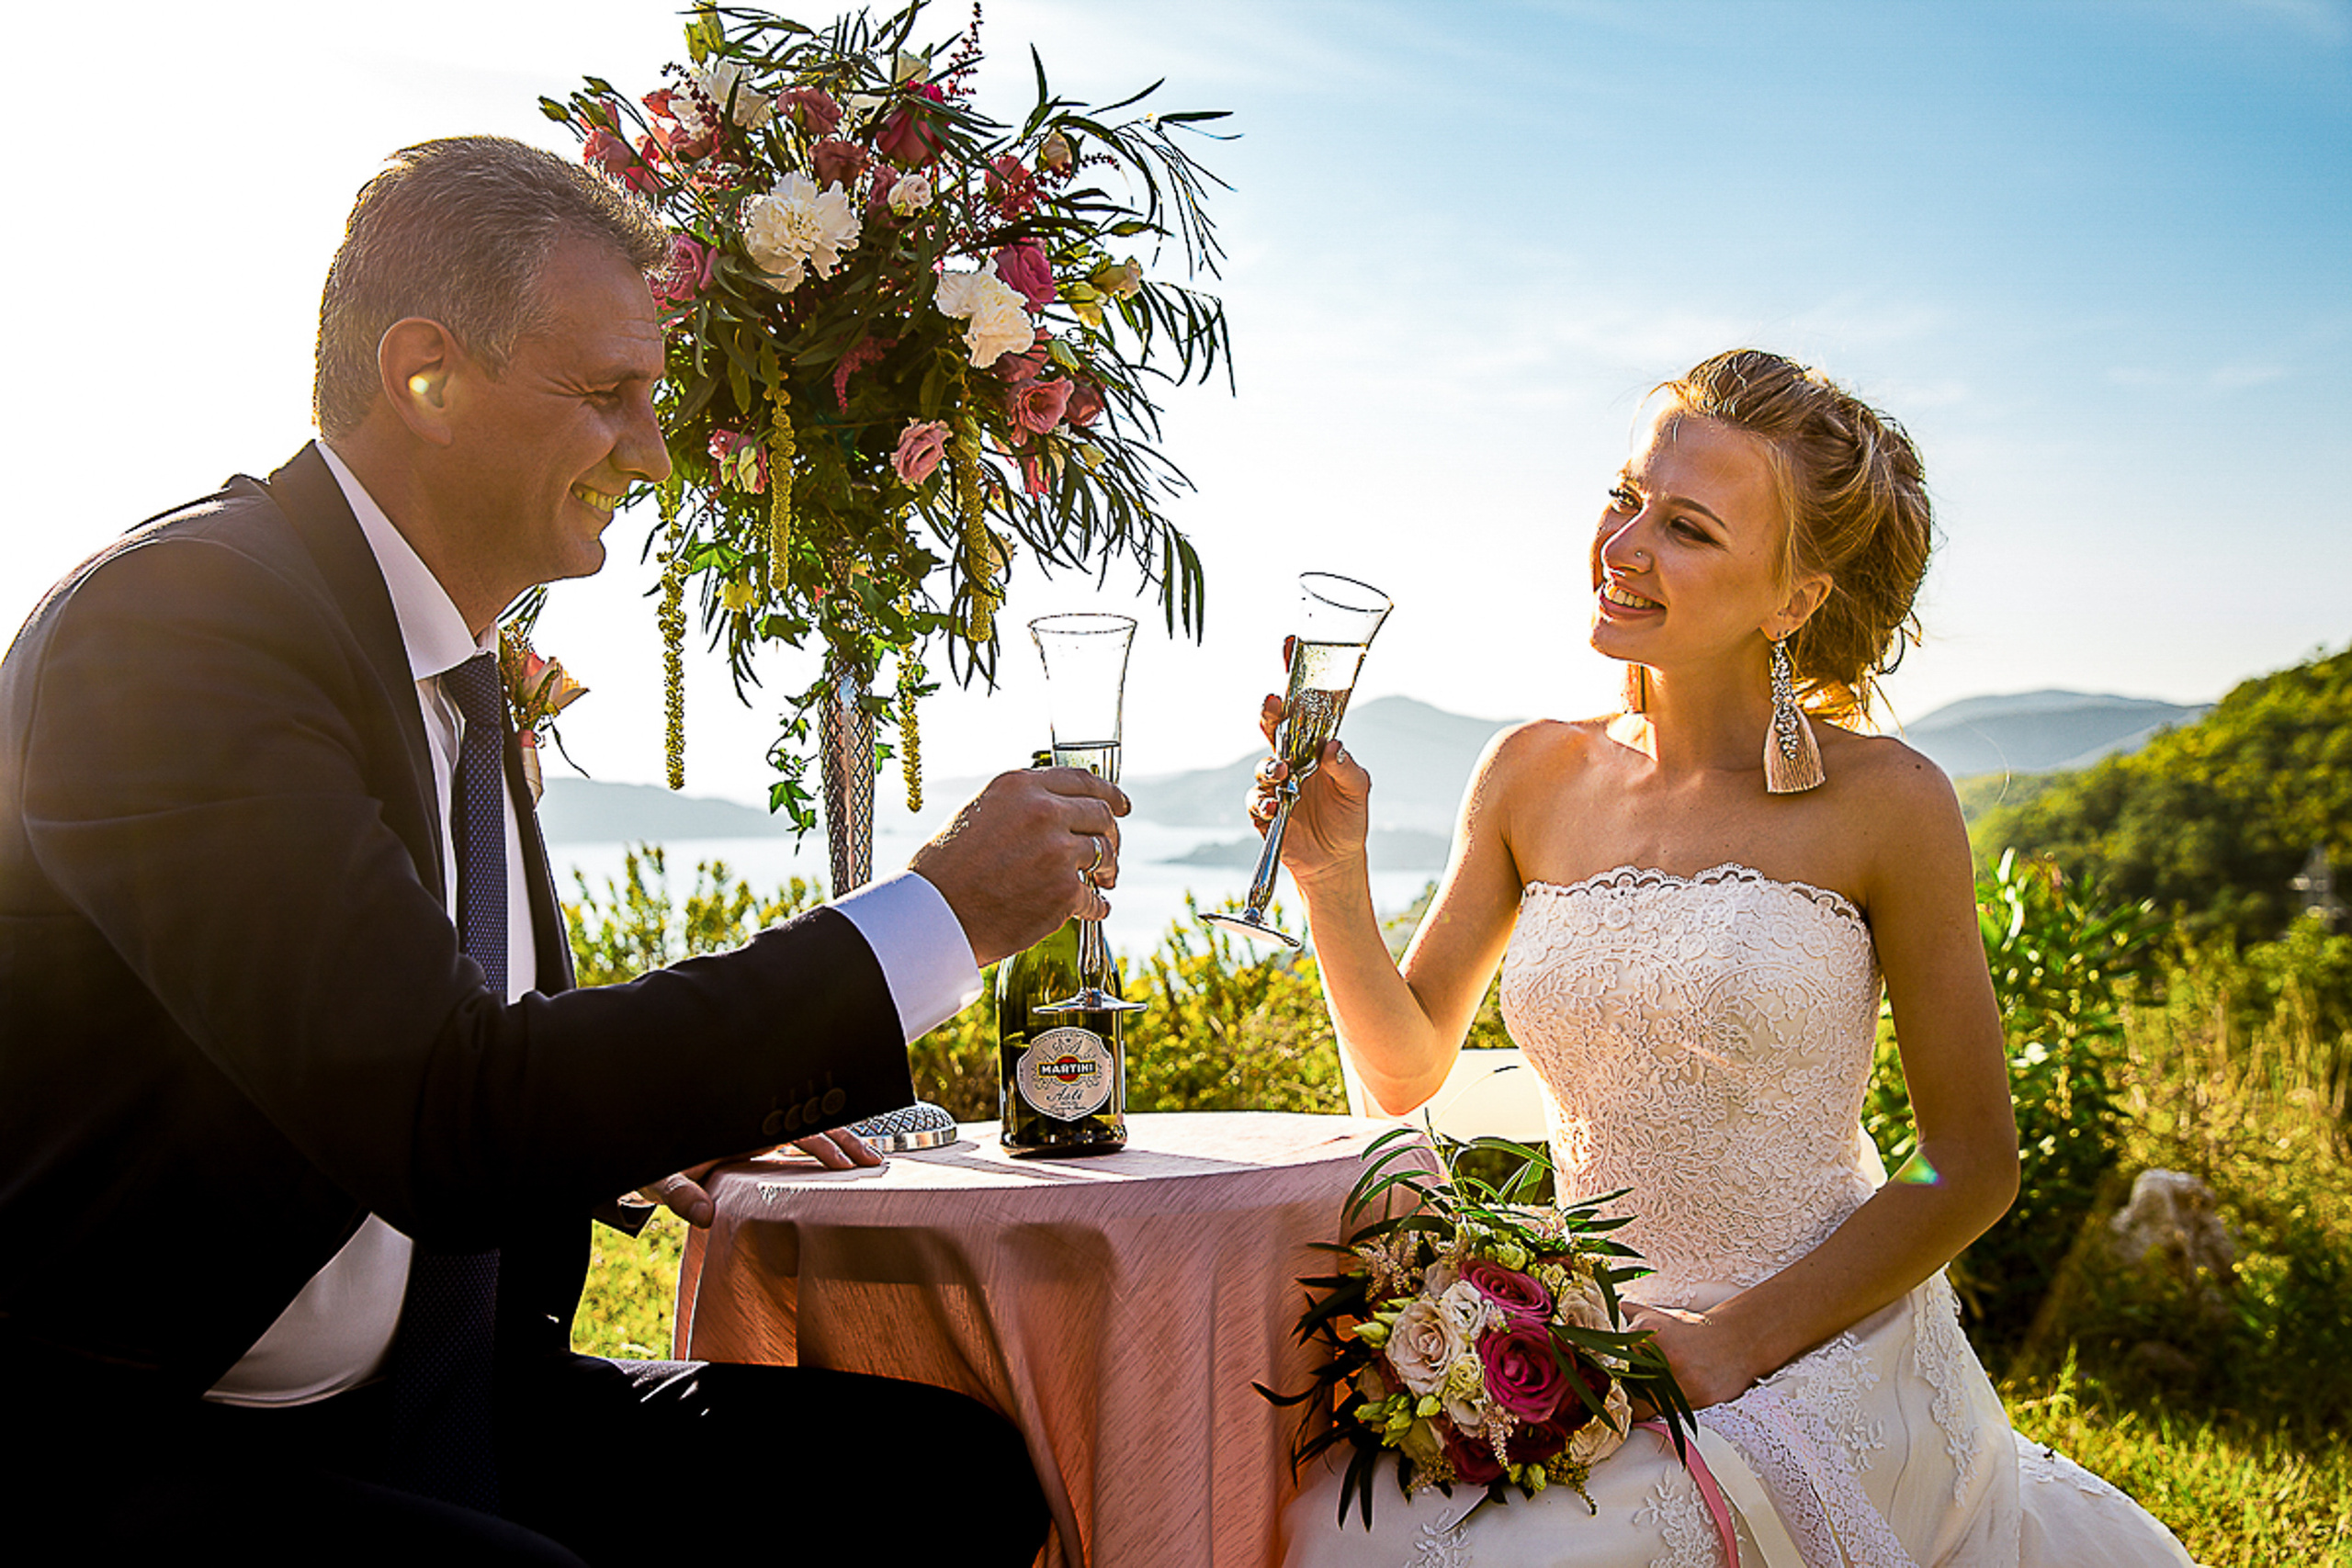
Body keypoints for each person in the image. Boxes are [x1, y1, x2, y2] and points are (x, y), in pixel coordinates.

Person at [0, 136, 1109, 1562]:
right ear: (425, 374)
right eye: (609, 397)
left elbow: (422, 1044)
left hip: (454, 1398)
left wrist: (663, 1115)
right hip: (135, 1444)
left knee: (948, 1480)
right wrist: (938, 917)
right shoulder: (179, 634)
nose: (650, 454)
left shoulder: (453, 668)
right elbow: (442, 1113)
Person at [1258, 351, 2198, 1565]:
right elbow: (1404, 1066)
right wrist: (1333, 876)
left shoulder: (1890, 804)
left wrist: (1730, 1346)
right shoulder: (1529, 774)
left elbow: (1970, 1169)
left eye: (1688, 528)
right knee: (1343, 1529)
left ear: (1795, 600)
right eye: (1625, 495)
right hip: (1592, 1344)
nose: (1625, 544)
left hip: (1822, 1348)